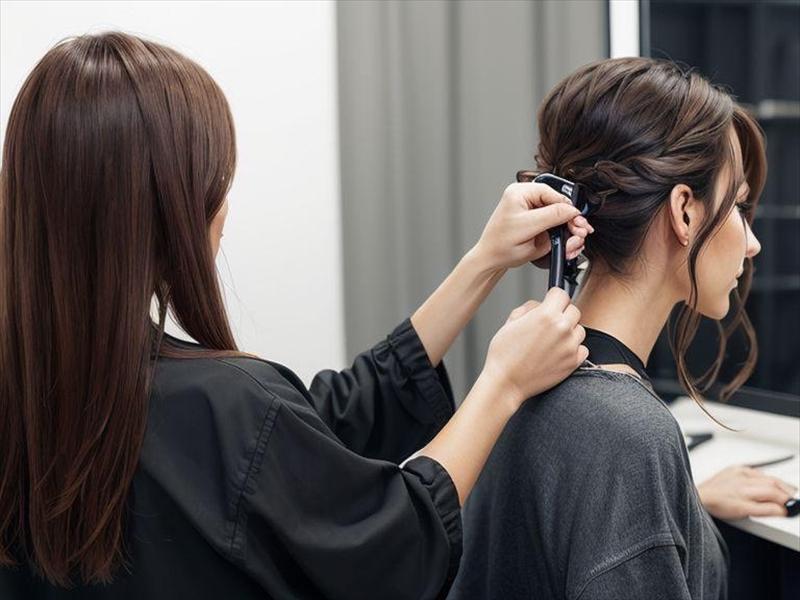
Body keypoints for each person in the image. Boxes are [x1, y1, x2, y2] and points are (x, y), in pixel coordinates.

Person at [0, 32, 592, 599]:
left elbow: (314, 432)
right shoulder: (223, 407)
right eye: (216, 184)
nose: (224, 211)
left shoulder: (39, 398)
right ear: (169, 209)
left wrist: (482, 263)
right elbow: (390, 549)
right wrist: (503, 384)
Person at [449, 57, 796, 600]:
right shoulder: (628, 435)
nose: (752, 244)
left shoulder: (526, 378)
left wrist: (682, 507)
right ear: (685, 213)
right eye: (738, 205)